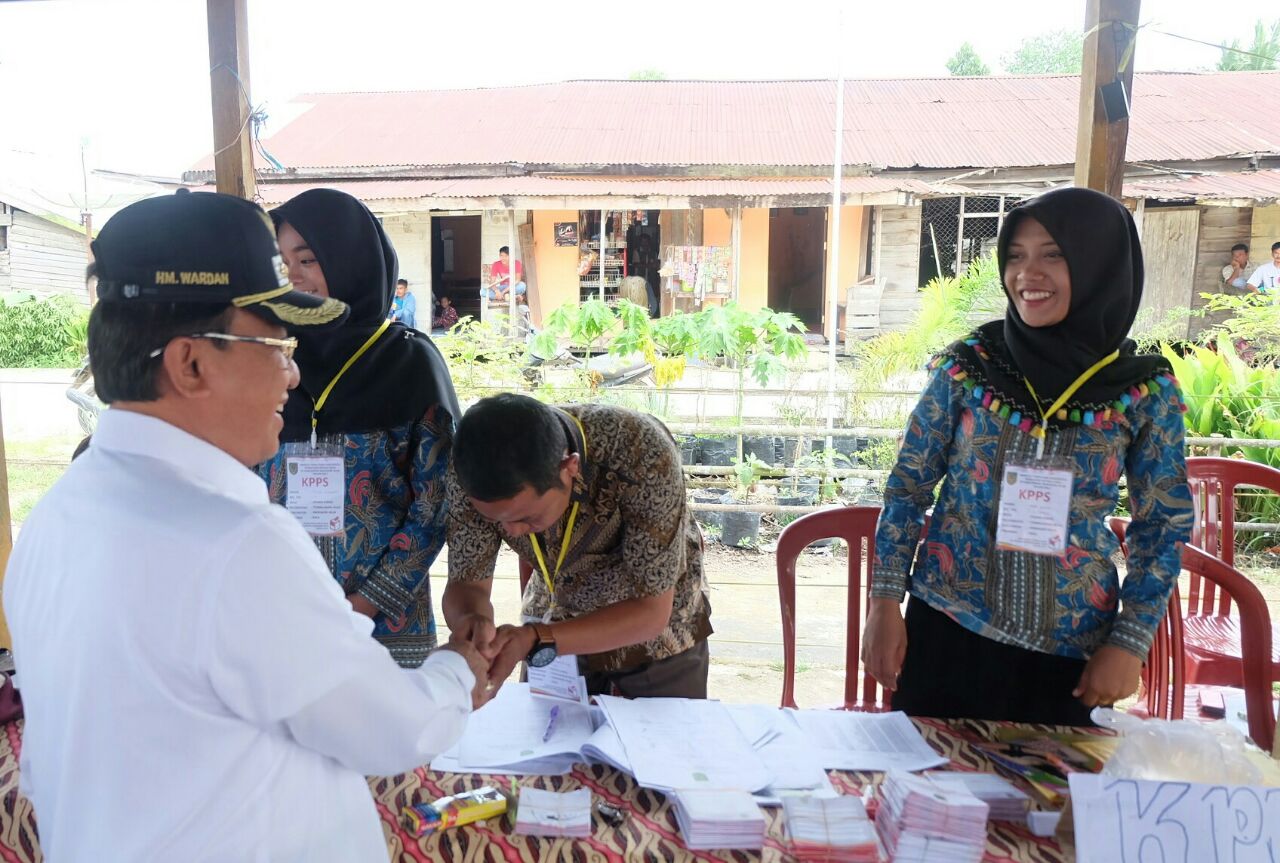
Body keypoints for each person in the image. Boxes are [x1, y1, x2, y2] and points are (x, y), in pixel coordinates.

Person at [3, 191, 485, 861]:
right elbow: (395, 729)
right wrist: (460, 671)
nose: (292, 372)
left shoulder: (56, 520)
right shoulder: (238, 545)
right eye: (275, 345)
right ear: (190, 363)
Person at [861, 187, 1193, 726]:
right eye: (1015, 256)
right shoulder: (969, 368)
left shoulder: (1143, 392)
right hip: (947, 630)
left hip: (1071, 655)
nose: (1027, 274)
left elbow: (1163, 523)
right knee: (932, 800)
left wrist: (1131, 642)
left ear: (1099, 265)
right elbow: (907, 489)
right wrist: (883, 603)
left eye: (1053, 254)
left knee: (1047, 805)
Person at [264, 188, 461, 668]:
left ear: (350, 259)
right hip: (284, 619)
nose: (293, 276)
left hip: (385, 628)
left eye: (308, 259)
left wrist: (366, 604)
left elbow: (436, 504)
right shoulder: (269, 358)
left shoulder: (409, 363)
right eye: (283, 261)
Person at [443, 394, 714, 699]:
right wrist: (474, 625)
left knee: (657, 742)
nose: (509, 530)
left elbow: (650, 612)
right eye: (495, 520)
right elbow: (468, 584)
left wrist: (538, 639)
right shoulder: (469, 471)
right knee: (548, 740)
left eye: (525, 518)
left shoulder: (641, 451)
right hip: (554, 619)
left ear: (569, 467)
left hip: (657, 640)